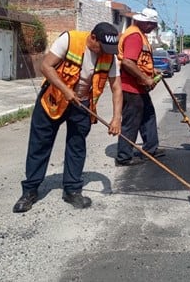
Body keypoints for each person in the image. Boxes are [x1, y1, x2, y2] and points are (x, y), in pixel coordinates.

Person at [13, 22, 123, 213]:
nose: (105, 52)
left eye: (109, 49)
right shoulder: (70, 40)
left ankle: (72, 190)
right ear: (93, 38)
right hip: (54, 99)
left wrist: (116, 118)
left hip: (83, 104)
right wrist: (65, 90)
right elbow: (46, 66)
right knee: (40, 145)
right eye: (102, 47)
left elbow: (116, 88)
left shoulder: (109, 56)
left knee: (77, 146)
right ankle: (30, 190)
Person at [115, 8, 164, 166]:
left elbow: (140, 61)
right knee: (132, 121)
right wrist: (145, 78)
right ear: (147, 23)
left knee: (148, 116)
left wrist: (152, 70)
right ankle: (124, 156)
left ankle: (151, 148)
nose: (153, 29)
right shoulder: (135, 36)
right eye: (153, 25)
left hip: (139, 87)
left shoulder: (140, 35)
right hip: (131, 87)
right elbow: (128, 62)